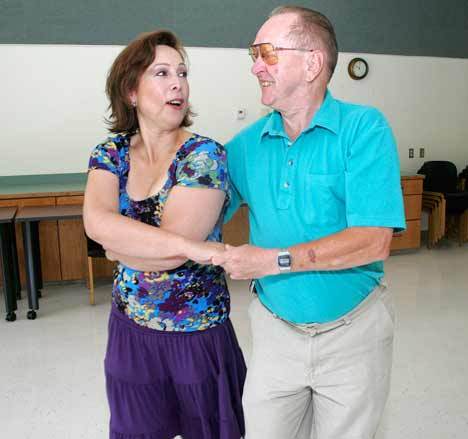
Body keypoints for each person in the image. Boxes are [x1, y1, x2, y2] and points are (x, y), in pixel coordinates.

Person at [213, 5, 405, 439]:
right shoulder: (244, 147)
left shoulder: (364, 129)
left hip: (353, 333)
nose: (255, 66)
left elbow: (373, 242)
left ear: (313, 62)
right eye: (253, 55)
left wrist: (271, 261)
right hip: (275, 332)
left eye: (267, 53)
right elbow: (200, 215)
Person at [83, 30, 246, 439]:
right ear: (131, 91)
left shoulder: (204, 155)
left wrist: (118, 247)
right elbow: (95, 223)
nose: (178, 83)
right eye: (161, 72)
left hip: (197, 335)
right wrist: (192, 248)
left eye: (183, 72)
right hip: (130, 329)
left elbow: (163, 255)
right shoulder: (111, 152)